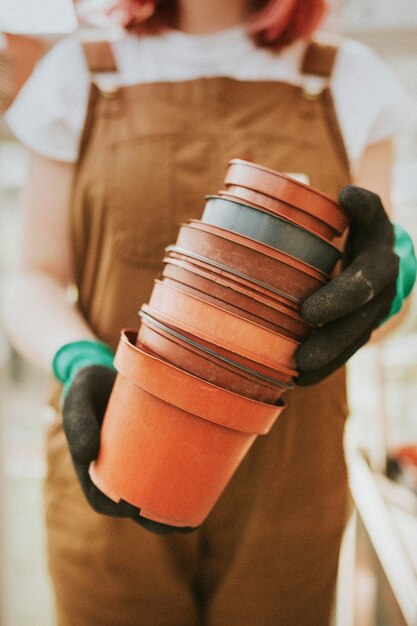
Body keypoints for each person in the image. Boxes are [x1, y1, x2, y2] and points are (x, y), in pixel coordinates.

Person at [3, 0, 417, 624]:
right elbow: (33, 277)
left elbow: (375, 297)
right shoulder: (80, 74)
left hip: (290, 483)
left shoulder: (347, 79)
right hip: (115, 447)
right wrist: (78, 357)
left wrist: (395, 284)